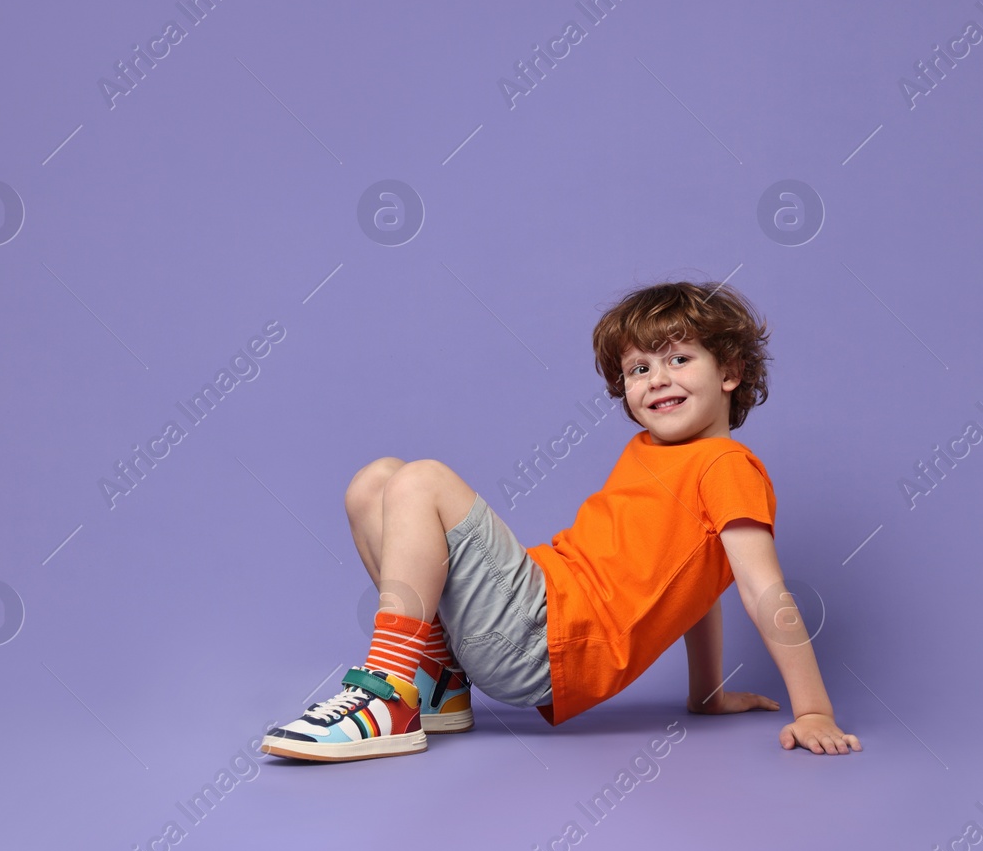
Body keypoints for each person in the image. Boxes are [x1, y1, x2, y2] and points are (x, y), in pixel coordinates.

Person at [260, 279, 861, 762]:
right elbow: (696, 584)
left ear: (729, 372)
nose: (657, 380)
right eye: (639, 370)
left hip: (549, 642)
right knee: (376, 481)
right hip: (534, 611)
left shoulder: (726, 464)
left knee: (423, 480)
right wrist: (704, 696)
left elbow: (760, 589)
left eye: (679, 358)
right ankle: (439, 685)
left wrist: (812, 710)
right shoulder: (654, 455)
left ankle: (388, 694)